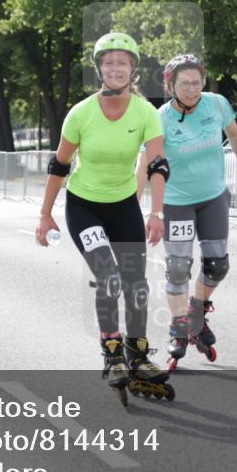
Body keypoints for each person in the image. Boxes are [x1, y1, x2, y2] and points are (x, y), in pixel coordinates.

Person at [35, 33, 173, 405]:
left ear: (132, 70)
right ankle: (112, 352)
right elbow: (59, 164)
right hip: (85, 206)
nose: (116, 69)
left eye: (122, 63)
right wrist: (45, 214)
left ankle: (139, 355)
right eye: (109, 63)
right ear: (100, 70)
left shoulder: (145, 111)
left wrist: (156, 212)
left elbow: (158, 163)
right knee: (109, 276)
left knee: (136, 283)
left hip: (124, 205)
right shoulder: (81, 112)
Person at [138, 54, 237, 372]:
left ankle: (197, 311)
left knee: (218, 265)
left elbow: (233, 134)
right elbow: (145, 164)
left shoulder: (215, 104)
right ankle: (178, 329)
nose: (193, 89)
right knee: (178, 268)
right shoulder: (158, 118)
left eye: (197, 82)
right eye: (185, 83)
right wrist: (138, 206)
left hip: (213, 196)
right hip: (177, 202)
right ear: (170, 85)